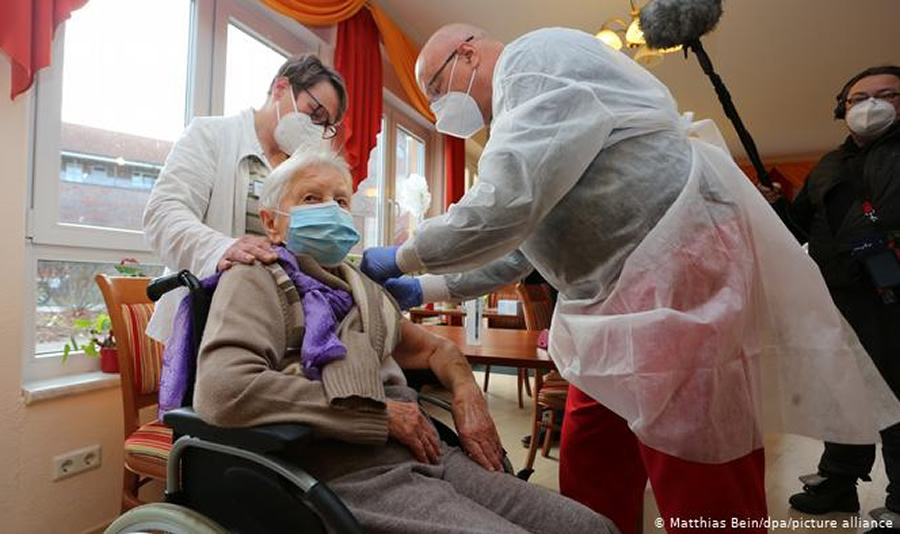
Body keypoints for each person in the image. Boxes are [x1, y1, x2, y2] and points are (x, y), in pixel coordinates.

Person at [360, 24, 900, 534]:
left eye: (436, 90)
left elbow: (506, 204)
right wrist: (426, 288)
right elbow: (521, 247)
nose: (439, 109)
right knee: (591, 467)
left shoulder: (534, 58)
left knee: (700, 472)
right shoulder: (523, 126)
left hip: (674, 290)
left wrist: (405, 256)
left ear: (468, 53)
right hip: (613, 317)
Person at [191, 149, 618, 534]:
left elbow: (437, 350)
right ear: (271, 222)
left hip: (425, 451)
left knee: (590, 526)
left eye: (341, 201)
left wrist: (468, 396)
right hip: (346, 468)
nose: (331, 210)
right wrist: (377, 414)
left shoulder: (360, 287)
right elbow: (223, 389)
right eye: (311, 198)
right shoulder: (257, 277)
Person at [759, 66, 900, 524]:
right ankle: (839, 483)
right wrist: (777, 204)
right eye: (859, 98)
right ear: (843, 108)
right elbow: (799, 227)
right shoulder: (829, 165)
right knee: (841, 392)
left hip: (891, 297)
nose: (871, 105)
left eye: (887, 95)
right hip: (835, 297)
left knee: (895, 396)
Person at [143, 54, 347, 342]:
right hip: (211, 321)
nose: (316, 128)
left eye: (325, 124)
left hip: (277, 322)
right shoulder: (212, 135)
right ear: (281, 88)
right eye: (314, 112)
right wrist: (220, 248)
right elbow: (163, 214)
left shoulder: (302, 169)